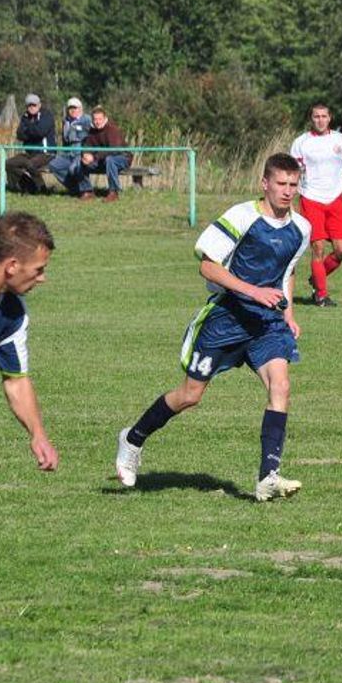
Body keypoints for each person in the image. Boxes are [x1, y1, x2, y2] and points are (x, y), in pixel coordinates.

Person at [114, 154, 311, 501]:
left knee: (280, 385)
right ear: (264, 183)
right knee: (190, 395)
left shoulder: (301, 228)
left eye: (293, 185)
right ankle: (133, 439)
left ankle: (268, 475)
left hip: (265, 324)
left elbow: (288, 271)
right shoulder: (242, 216)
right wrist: (254, 292)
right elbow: (208, 266)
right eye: (281, 184)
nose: (287, 191)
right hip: (226, 319)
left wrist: (289, 314)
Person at [0, 212, 58, 470]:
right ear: (12, 266)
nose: (42, 278)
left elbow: (16, 381)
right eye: (38, 270)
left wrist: (38, 434)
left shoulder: (12, 313)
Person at [290, 103, 342, 307]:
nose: (320, 120)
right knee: (318, 247)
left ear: (330, 118)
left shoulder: (340, 140)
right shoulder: (301, 143)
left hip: (335, 200)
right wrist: (291, 200)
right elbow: (293, 174)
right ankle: (321, 295)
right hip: (311, 199)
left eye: (324, 116)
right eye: (316, 116)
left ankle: (317, 278)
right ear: (311, 119)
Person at [70, 106, 132, 202]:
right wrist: (86, 154)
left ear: (105, 118)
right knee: (80, 162)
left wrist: (94, 156)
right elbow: (87, 146)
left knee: (110, 159)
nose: (97, 122)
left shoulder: (112, 129)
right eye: (95, 119)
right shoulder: (92, 131)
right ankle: (87, 191)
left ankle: (113, 192)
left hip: (122, 158)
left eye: (100, 119)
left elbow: (114, 150)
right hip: (101, 159)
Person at [5, 94, 56, 194]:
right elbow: (19, 134)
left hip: (46, 153)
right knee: (9, 163)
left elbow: (41, 131)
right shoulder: (25, 116)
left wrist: (28, 129)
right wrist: (32, 131)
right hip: (29, 153)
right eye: (29, 105)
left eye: (34, 105)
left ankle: (42, 188)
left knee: (30, 164)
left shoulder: (47, 115)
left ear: (39, 105)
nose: (32, 107)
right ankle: (28, 186)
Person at [47, 97, 93, 196]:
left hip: (81, 152)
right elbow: (65, 139)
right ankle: (74, 188)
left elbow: (93, 136)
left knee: (74, 168)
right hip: (68, 152)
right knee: (53, 165)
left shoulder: (87, 119)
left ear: (80, 108)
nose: (73, 110)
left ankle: (87, 190)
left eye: (75, 108)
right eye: (70, 108)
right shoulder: (66, 121)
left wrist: (88, 152)